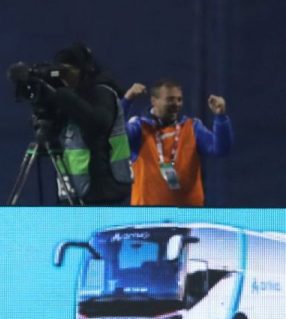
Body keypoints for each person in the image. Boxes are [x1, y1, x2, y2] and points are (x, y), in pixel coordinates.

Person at [36, 43, 134, 206]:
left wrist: (64, 97)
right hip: (76, 188)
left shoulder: (102, 92)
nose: (64, 76)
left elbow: (98, 123)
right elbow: (53, 133)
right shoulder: (67, 95)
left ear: (84, 69)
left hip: (104, 186)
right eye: (60, 71)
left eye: (68, 70)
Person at [122, 80, 233, 206]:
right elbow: (115, 135)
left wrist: (220, 117)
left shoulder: (192, 127)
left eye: (179, 99)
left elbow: (221, 149)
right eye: (170, 99)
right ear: (154, 101)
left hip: (188, 214)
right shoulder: (139, 127)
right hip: (147, 216)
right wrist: (127, 100)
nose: (176, 104)